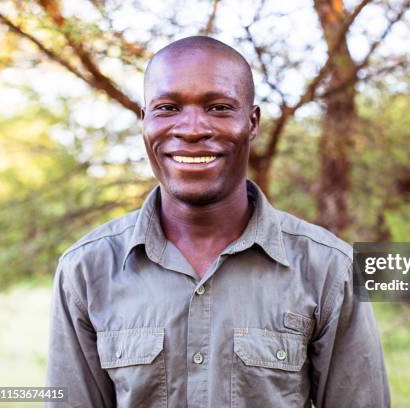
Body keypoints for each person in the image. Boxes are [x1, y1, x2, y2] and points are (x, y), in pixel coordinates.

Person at [46, 36, 389, 408]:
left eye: (219, 107)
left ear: (252, 122)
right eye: (168, 108)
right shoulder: (85, 270)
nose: (192, 129)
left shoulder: (329, 269)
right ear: (145, 120)